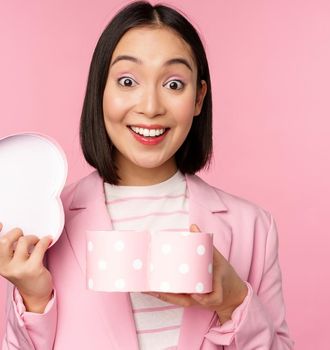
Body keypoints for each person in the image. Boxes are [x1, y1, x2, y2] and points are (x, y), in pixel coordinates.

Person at [0, 2, 294, 349]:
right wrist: (34, 298)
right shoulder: (48, 225)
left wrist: (233, 301)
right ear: (101, 90)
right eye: (127, 81)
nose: (151, 106)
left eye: (173, 84)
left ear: (199, 98)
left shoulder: (254, 227)